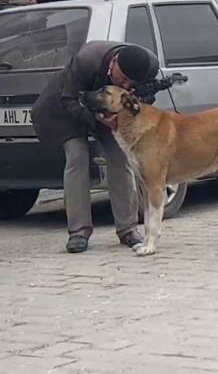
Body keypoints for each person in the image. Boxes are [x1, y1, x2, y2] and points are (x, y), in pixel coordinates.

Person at [31, 42, 159, 253]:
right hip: (69, 110)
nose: (125, 84)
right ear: (114, 62)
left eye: (131, 83)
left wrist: (132, 101)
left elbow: (147, 98)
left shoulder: (148, 66)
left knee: (120, 159)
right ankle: (78, 231)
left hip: (111, 111)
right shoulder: (87, 59)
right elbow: (68, 100)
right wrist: (99, 119)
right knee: (77, 157)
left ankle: (128, 229)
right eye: (122, 78)